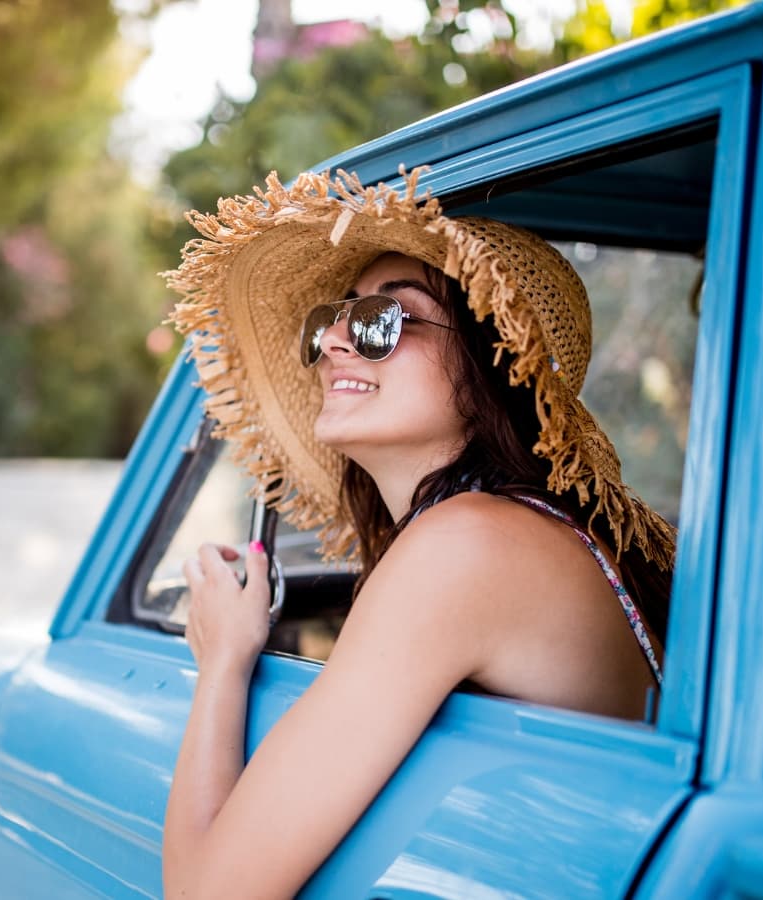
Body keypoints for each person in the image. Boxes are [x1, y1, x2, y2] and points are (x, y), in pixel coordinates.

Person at [162, 167, 676, 897]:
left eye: (382, 321)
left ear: (491, 366)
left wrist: (221, 660)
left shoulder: (465, 546)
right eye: (332, 320)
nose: (335, 339)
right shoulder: (518, 534)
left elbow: (207, 893)